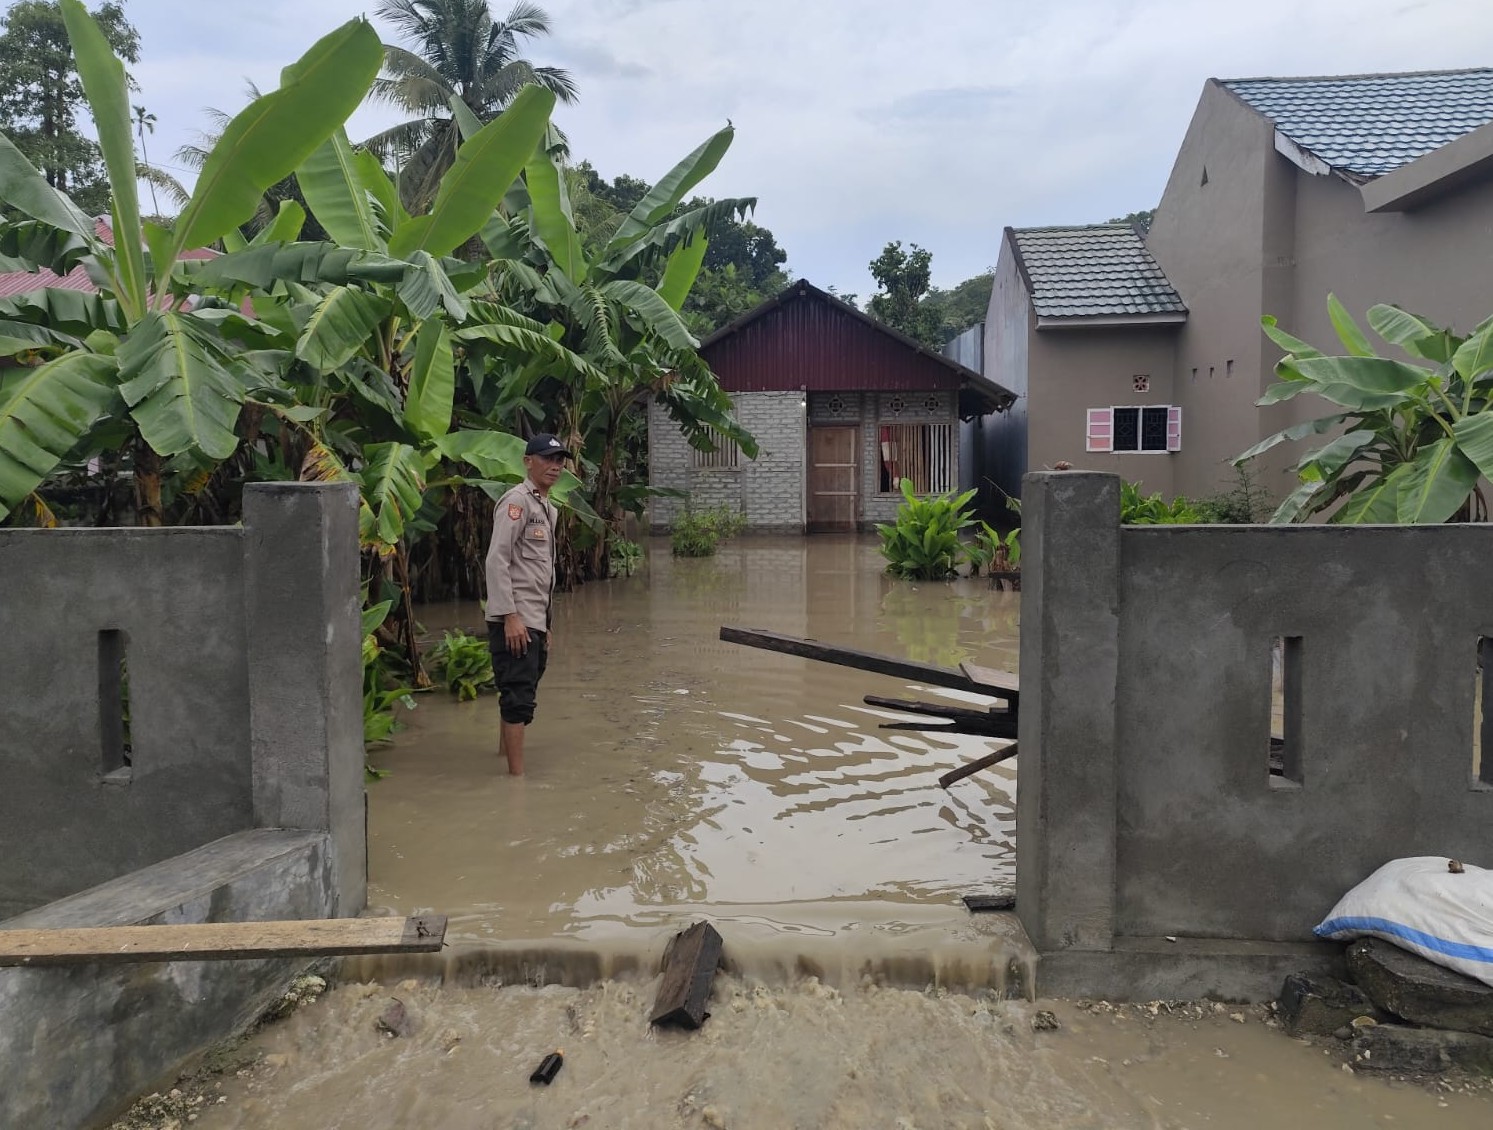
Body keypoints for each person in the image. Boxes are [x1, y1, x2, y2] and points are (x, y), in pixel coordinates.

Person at [485, 433, 570, 775]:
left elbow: (541, 573)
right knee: (518, 696)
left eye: (560, 460)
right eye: (547, 459)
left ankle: (505, 759)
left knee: (520, 689)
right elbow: (497, 560)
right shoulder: (515, 502)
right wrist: (510, 617)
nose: (555, 466)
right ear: (528, 461)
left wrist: (545, 624)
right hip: (515, 618)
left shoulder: (547, 509)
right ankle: (515, 782)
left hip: (533, 619)